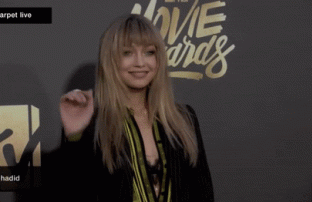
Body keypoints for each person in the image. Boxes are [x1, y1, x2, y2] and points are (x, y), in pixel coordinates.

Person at [58, 14, 213, 202]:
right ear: (111, 60)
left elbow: (203, 193)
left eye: (149, 52)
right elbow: (75, 192)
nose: (140, 62)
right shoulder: (94, 123)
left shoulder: (184, 118)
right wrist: (75, 136)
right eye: (127, 53)